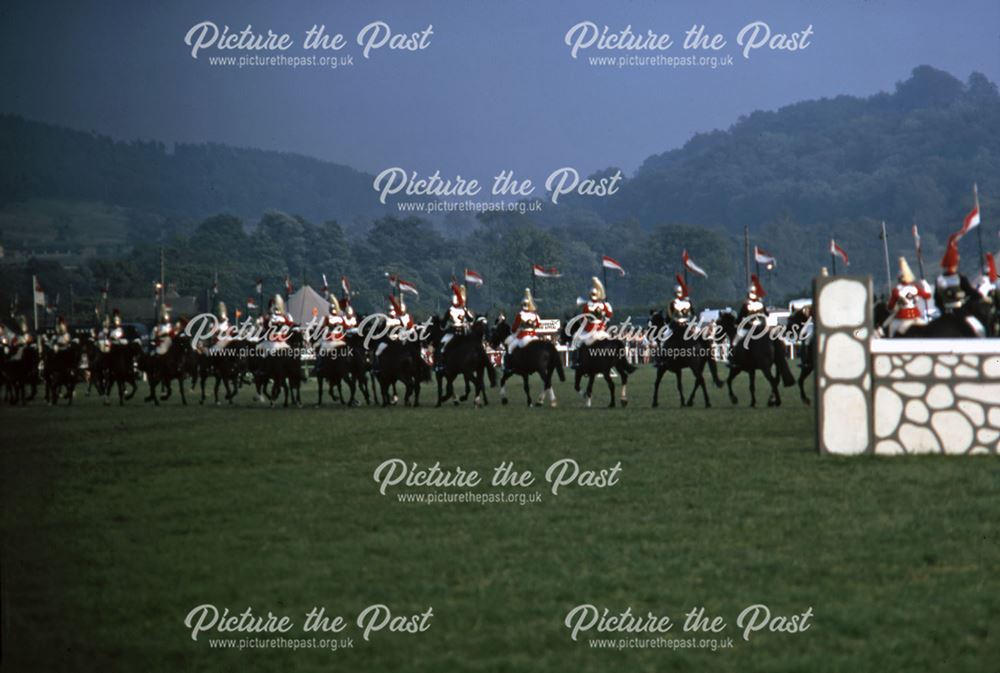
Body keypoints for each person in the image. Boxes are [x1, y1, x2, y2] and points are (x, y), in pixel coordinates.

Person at [887, 257, 931, 337]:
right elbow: (927, 296)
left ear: (900, 278)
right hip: (916, 316)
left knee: (892, 327)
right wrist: (925, 284)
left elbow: (890, 306)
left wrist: (892, 307)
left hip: (903, 317)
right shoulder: (915, 288)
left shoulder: (896, 290)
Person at [935, 234, 976, 315]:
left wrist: (943, 311)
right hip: (961, 311)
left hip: (945, 312)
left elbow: (937, 300)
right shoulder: (960, 278)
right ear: (956, 264)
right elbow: (971, 293)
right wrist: (982, 297)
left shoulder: (939, 279)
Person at [575, 276, 612, 348]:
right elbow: (609, 315)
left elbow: (583, 319)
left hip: (589, 329)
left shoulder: (587, 306)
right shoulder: (604, 306)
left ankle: (577, 357)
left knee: (577, 341)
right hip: (601, 328)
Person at [439, 282, 473, 360]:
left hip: (453, 332)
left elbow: (443, 323)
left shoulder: (450, 310)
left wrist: (441, 327)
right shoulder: (464, 310)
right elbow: (471, 320)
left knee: (442, 346)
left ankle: (440, 364)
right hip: (463, 332)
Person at [506, 288, 540, 360]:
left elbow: (515, 327)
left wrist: (513, 330)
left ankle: (510, 363)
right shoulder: (534, 315)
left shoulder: (520, 315)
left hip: (523, 335)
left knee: (510, 347)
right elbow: (538, 325)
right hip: (534, 335)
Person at [736, 275, 768, 340]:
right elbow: (767, 314)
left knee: (736, 341)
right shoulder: (761, 303)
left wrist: (736, 323)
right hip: (761, 328)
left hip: (748, 328)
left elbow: (741, 316)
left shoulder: (746, 305)